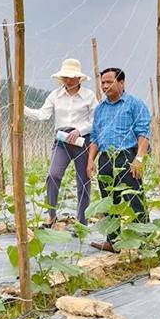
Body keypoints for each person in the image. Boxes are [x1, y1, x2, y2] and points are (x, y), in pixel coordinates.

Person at [24, 58, 97, 226]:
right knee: (53, 175)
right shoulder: (55, 95)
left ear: (79, 78)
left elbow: (96, 120)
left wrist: (80, 129)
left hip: (82, 141)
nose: (67, 80)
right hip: (62, 140)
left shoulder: (89, 96)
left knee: (83, 181)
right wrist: (22, 108)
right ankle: (51, 214)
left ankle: (82, 220)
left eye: (71, 77)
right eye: (65, 77)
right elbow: (43, 114)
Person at [86, 67, 151, 253]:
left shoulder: (134, 104)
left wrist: (138, 158)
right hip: (106, 158)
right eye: (103, 83)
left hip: (127, 156)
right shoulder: (100, 109)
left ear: (121, 83)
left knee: (134, 198)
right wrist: (91, 160)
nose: (105, 86)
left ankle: (143, 241)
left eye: (109, 82)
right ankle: (113, 241)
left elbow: (143, 133)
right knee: (108, 201)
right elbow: (95, 138)